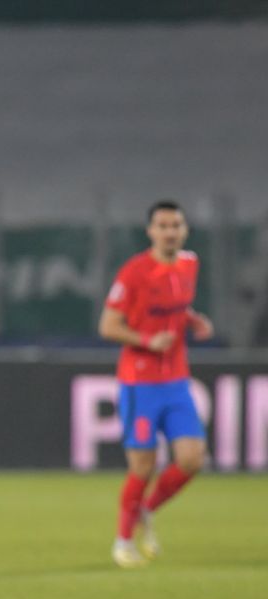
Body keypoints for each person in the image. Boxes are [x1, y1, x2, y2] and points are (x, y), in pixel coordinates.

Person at [98, 201, 212, 568]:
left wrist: (193, 321)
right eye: (162, 226)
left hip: (176, 380)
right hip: (140, 383)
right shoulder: (134, 272)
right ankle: (123, 540)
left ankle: (145, 510)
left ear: (185, 230)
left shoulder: (190, 264)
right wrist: (148, 341)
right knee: (143, 467)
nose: (170, 232)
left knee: (192, 459)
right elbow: (108, 326)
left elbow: (175, 308)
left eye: (175, 225)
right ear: (150, 231)